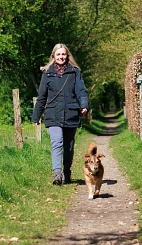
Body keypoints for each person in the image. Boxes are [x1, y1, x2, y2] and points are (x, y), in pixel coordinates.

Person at [32, 43, 89, 185]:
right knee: (56, 142)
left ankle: (67, 171)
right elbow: (42, 96)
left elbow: (81, 91)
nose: (61, 57)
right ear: (53, 56)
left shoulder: (75, 72)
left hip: (71, 113)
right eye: (58, 54)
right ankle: (57, 174)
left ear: (67, 56)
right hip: (53, 114)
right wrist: (36, 116)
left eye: (63, 54)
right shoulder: (47, 73)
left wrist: (84, 105)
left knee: (68, 146)